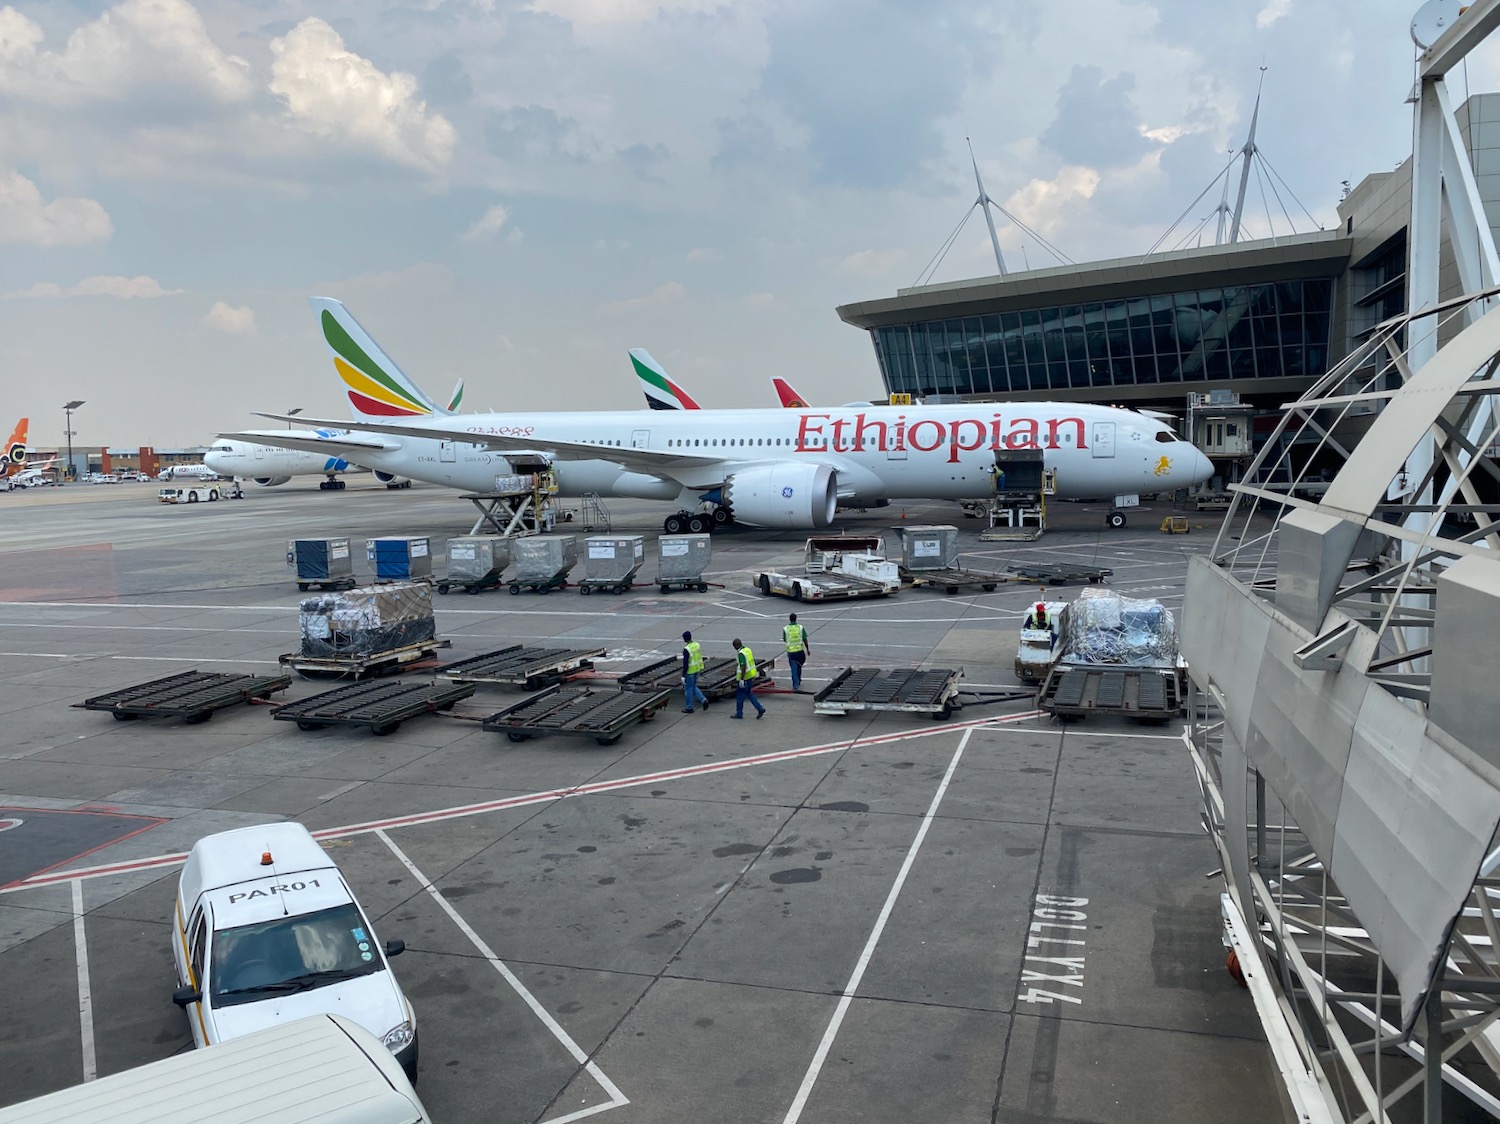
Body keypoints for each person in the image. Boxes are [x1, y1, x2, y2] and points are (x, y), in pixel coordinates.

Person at [730, 638, 765, 719]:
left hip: (744, 678)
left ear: (735, 646)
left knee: (740, 696)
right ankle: (760, 708)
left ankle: (739, 713)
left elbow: (743, 666)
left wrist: (741, 679)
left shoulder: (741, 654)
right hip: (750, 676)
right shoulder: (747, 650)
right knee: (749, 693)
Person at [681, 630, 709, 713]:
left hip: (690, 672)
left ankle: (689, 707)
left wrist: (683, 675)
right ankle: (703, 700)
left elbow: (685, 664)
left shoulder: (686, 649)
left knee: (689, 689)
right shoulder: (697, 645)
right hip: (697, 669)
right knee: (693, 687)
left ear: (685, 639)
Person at [782, 612, 810, 692]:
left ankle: (795, 685)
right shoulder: (800, 627)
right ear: (796, 619)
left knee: (794, 668)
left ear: (789, 619)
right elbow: (805, 639)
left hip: (791, 652)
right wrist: (807, 649)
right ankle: (799, 679)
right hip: (800, 651)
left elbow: (785, 639)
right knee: (799, 665)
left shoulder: (786, 629)